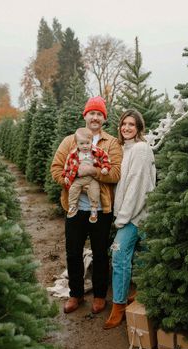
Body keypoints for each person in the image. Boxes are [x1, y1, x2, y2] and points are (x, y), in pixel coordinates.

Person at [51, 96, 122, 314]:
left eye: (99, 114)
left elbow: (116, 173)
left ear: (104, 119)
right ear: (85, 115)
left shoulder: (111, 143)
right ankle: (76, 294)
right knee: (73, 253)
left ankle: (100, 296)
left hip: (101, 210)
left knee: (100, 253)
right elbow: (55, 169)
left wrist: (92, 171)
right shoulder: (69, 141)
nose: (95, 117)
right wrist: (73, 177)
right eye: (92, 113)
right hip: (74, 209)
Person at [104, 109, 156, 329]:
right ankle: (140, 293)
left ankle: (119, 306)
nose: (126, 128)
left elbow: (138, 185)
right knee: (143, 256)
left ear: (139, 128)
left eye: (131, 125)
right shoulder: (125, 149)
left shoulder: (141, 149)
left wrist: (122, 218)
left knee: (119, 254)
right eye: (124, 124)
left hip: (136, 215)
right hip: (131, 214)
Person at [63, 127, 111, 224]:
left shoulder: (97, 151)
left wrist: (105, 168)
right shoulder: (73, 154)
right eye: (82, 143)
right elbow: (67, 165)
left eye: (87, 143)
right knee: (73, 188)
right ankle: (72, 206)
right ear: (76, 143)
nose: (85, 146)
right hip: (79, 178)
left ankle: (94, 210)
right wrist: (66, 176)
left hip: (93, 178)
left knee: (95, 191)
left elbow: (106, 158)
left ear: (91, 142)